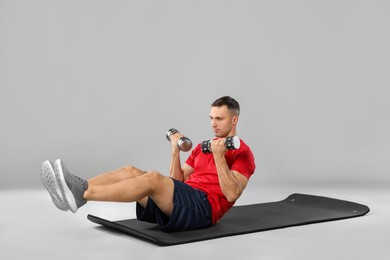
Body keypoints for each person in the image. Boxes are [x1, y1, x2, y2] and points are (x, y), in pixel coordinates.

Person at [40, 96, 256, 232]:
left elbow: (231, 194)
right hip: (182, 200)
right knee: (130, 171)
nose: (213, 124)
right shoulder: (202, 147)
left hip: (203, 209)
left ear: (234, 120)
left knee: (153, 178)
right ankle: (80, 189)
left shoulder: (243, 153)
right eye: (211, 118)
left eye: (219, 119)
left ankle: (82, 194)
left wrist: (220, 157)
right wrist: (174, 150)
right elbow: (176, 181)